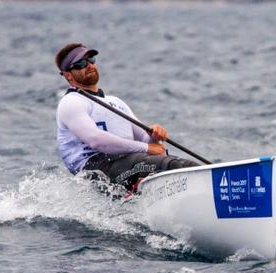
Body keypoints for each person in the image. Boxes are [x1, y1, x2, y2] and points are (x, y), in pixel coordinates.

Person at [54, 43, 198, 191]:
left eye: (91, 60)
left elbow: (146, 140)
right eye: (80, 64)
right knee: (175, 166)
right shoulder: (71, 102)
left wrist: (154, 135)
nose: (89, 65)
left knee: (174, 164)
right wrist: (147, 147)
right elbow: (96, 141)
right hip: (97, 170)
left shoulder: (115, 102)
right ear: (68, 75)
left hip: (126, 163)